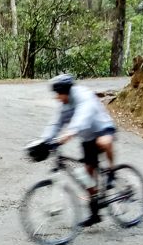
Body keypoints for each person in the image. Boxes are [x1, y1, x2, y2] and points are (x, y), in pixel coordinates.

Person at [39, 73, 116, 226]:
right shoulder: (64, 105)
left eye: (58, 93)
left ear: (66, 91)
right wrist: (44, 141)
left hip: (102, 128)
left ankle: (112, 172)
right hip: (87, 138)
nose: (57, 98)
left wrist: (70, 132)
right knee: (88, 178)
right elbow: (55, 124)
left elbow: (83, 116)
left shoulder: (83, 96)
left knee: (103, 142)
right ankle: (95, 213)